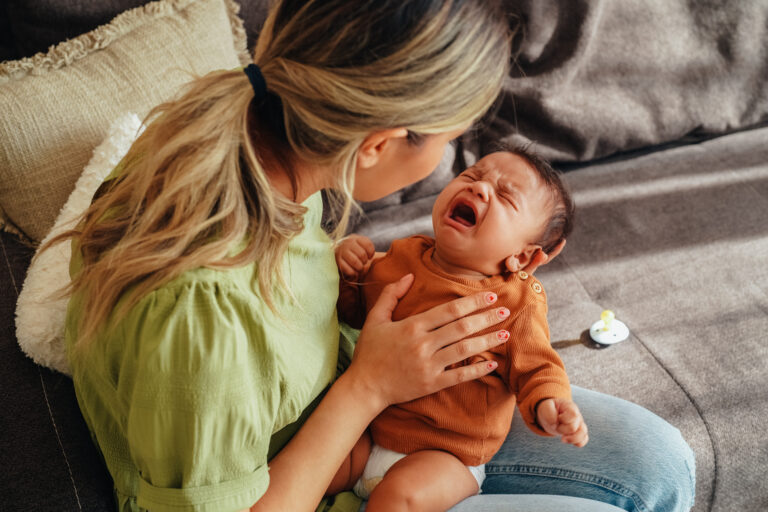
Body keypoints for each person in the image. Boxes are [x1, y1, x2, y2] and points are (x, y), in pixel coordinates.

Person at [50, 1, 695, 511]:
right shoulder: (200, 321)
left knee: (663, 462)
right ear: (379, 144)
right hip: (318, 467)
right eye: (451, 145)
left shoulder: (263, 139)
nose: (456, 171)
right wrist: (369, 387)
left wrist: (345, 273)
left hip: (393, 404)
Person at [331, 147, 587, 511]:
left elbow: (537, 366)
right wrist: (348, 272)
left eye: (505, 195)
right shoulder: (404, 256)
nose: (480, 189)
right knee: (322, 464)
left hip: (445, 454)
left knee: (398, 498)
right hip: (370, 429)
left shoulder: (516, 303)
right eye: (472, 175)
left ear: (524, 257)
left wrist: (550, 403)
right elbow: (355, 314)